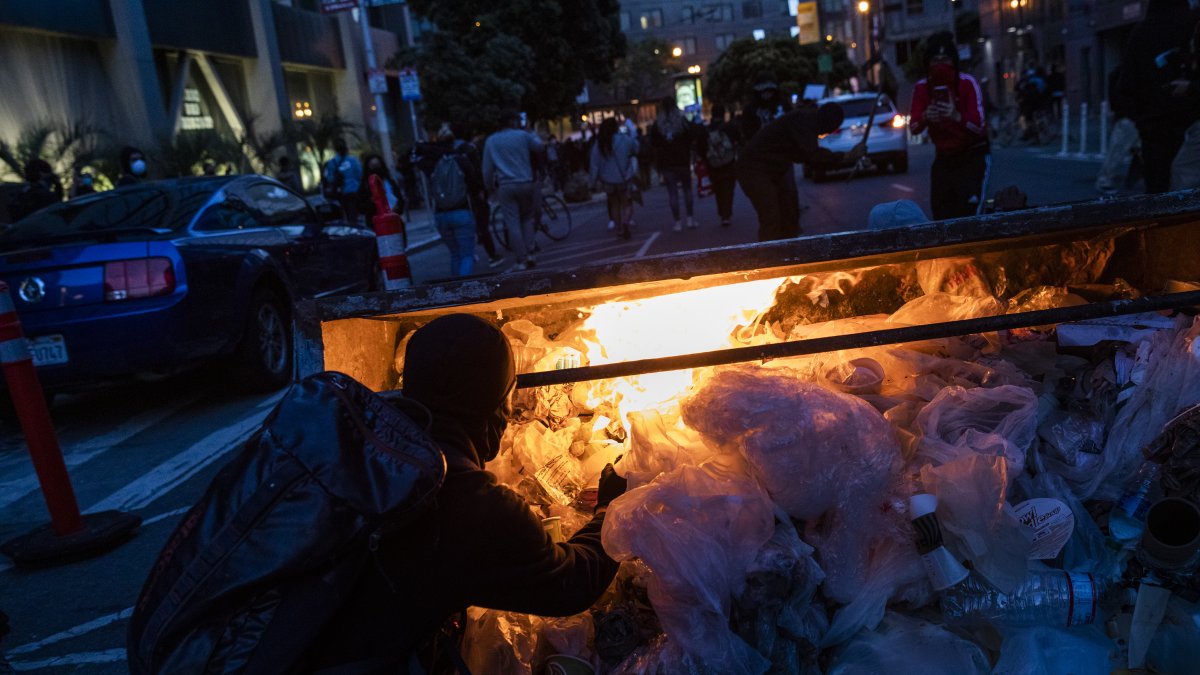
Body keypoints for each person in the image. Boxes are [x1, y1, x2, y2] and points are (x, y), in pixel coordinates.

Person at [305, 314, 626, 671]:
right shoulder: (466, 502)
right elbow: (573, 582)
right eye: (507, 400)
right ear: (493, 409)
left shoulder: (362, 441)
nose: (508, 419)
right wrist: (611, 509)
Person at [737, 103, 864, 241]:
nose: (825, 133)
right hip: (753, 170)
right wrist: (846, 156)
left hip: (770, 170)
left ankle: (788, 251)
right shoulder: (804, 122)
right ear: (828, 122)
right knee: (771, 216)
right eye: (830, 129)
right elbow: (812, 156)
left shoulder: (806, 121)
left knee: (789, 213)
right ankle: (768, 258)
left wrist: (845, 158)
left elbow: (803, 156)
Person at [1118, 0, 1200, 193]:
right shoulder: (1193, 23)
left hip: (1155, 126)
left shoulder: (1141, 32)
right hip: (1192, 119)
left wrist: (1141, 119)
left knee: (1160, 190)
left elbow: (1126, 84)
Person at [909, 31, 991, 220]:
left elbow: (979, 125)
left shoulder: (967, 83)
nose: (940, 65)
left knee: (970, 214)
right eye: (935, 59)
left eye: (945, 58)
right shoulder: (922, 88)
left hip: (972, 155)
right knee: (941, 215)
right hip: (944, 159)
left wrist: (956, 116)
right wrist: (925, 117)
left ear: (954, 60)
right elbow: (914, 127)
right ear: (927, 63)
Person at [414, 126, 486, 277]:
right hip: (462, 211)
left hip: (441, 214)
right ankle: (464, 288)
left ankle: (455, 289)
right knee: (467, 254)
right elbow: (474, 184)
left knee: (455, 255)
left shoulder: (432, 163)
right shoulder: (461, 160)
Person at [482, 110, 544, 271]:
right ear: (513, 122)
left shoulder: (491, 141)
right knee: (527, 219)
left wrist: (489, 187)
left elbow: (487, 169)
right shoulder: (522, 136)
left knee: (512, 222)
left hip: (506, 185)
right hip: (525, 181)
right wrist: (532, 132)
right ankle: (531, 252)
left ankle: (521, 259)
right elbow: (539, 147)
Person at [650, 97, 700, 232]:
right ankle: (690, 219)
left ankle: (677, 222)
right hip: (682, 159)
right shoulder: (682, 121)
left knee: (672, 193)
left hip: (666, 162)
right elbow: (691, 137)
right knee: (687, 190)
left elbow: (653, 143)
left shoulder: (658, 124)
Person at [589, 117, 639, 240]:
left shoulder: (599, 144)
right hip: (624, 177)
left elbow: (594, 164)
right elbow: (636, 148)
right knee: (626, 203)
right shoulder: (624, 139)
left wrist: (592, 182)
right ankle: (626, 222)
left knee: (614, 204)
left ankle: (619, 229)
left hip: (607, 179)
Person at [1097, 66, 1141, 194]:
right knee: (1118, 149)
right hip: (1131, 116)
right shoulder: (1125, 73)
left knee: (1122, 149)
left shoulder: (1118, 73)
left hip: (1130, 115)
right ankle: (1105, 180)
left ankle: (1133, 179)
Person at [357, 153, 407, 247]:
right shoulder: (365, 186)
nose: (376, 169)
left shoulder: (390, 182)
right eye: (373, 166)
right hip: (377, 226)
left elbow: (399, 199)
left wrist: (397, 208)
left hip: (394, 223)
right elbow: (361, 206)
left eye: (378, 166)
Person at [705, 104, 741, 227]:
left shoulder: (708, 129)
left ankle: (722, 213)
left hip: (713, 164)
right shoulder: (729, 127)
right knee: (728, 189)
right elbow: (738, 140)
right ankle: (727, 214)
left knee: (718, 189)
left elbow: (703, 147)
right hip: (729, 162)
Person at [740, 70, 793, 142]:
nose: (766, 93)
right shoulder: (751, 109)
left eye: (769, 90)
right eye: (763, 91)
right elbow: (747, 130)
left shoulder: (784, 105)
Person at [323, 137, 363, 223]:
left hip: (341, 192)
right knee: (354, 211)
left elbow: (330, 179)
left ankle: (349, 226)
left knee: (345, 212)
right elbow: (360, 174)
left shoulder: (332, 162)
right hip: (354, 190)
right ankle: (355, 226)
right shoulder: (353, 160)